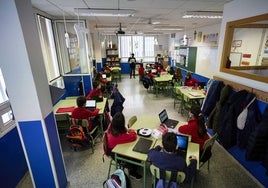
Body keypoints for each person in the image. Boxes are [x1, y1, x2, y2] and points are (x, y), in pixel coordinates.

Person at [107, 112, 142, 179]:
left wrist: (126, 129)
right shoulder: (119, 136)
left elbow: (123, 129)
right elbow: (133, 136)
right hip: (115, 154)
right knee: (137, 155)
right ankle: (132, 172)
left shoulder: (111, 126)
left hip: (112, 149)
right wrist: (131, 130)